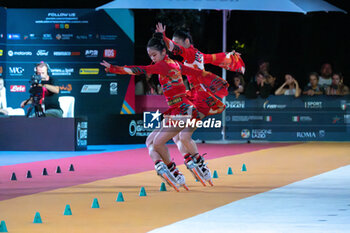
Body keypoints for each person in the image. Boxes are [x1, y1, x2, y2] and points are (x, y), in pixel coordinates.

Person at [101, 33, 211, 191]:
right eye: (149, 55)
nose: (152, 58)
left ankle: (179, 169)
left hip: (183, 110)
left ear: (163, 53)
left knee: (161, 142)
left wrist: (114, 69)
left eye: (154, 55)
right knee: (150, 141)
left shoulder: (164, 65)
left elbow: (140, 69)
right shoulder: (172, 63)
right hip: (175, 110)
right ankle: (163, 165)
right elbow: (191, 71)